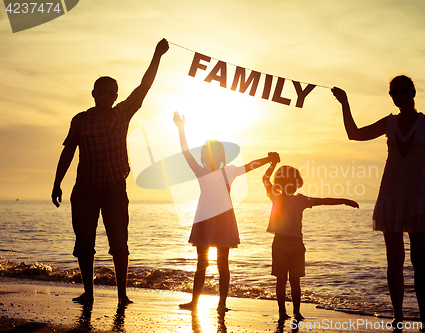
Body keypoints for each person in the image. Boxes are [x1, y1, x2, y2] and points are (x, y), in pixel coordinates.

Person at [332, 75, 425, 332]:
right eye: (393, 93)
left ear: (412, 92)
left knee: (420, 260)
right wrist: (344, 103)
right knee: (394, 260)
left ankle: (424, 320)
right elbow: (354, 135)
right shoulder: (389, 122)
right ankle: (398, 317)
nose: (398, 97)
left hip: (419, 197)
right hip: (390, 195)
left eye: (402, 91)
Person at [51, 38, 170, 305]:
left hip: (115, 189)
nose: (104, 95)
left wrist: (157, 55)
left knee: (119, 244)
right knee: (84, 244)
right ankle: (88, 293)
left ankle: (122, 295)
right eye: (100, 91)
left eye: (109, 92)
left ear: (116, 96)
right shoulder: (80, 119)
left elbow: (144, 87)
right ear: (93, 93)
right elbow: (68, 151)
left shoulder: (122, 114)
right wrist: (57, 182)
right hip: (84, 191)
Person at [173, 111, 280, 314]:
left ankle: (221, 304)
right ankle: (195, 303)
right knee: (202, 264)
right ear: (204, 158)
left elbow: (250, 166)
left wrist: (268, 159)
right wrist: (181, 129)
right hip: (206, 221)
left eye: (213, 154)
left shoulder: (228, 171)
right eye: (207, 155)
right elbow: (185, 152)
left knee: (222, 264)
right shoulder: (201, 171)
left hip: (222, 221)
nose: (209, 158)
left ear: (221, 157)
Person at [262, 163, 359, 321]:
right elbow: (265, 178)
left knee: (295, 281)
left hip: (297, 245)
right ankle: (281, 312)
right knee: (281, 280)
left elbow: (323, 201)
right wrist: (272, 164)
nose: (293, 185)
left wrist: (344, 201)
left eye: (295, 182)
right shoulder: (276, 195)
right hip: (280, 244)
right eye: (289, 182)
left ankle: (296, 312)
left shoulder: (301, 200)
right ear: (281, 184)